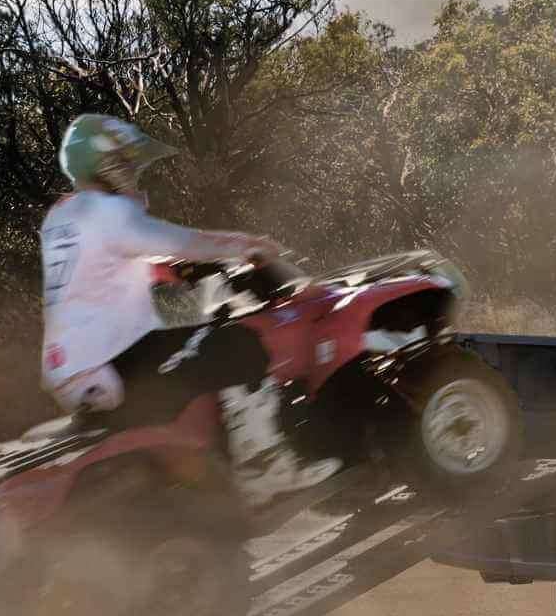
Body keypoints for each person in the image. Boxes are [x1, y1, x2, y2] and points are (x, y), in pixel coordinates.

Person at [40, 113, 340, 505]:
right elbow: (185, 242)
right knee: (240, 344)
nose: (133, 175)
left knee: (192, 323)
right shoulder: (108, 212)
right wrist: (249, 244)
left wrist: (183, 281)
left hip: (71, 367)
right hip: (113, 362)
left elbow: (121, 265)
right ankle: (264, 469)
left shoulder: (62, 216)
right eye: (126, 164)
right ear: (106, 166)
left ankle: (226, 458)